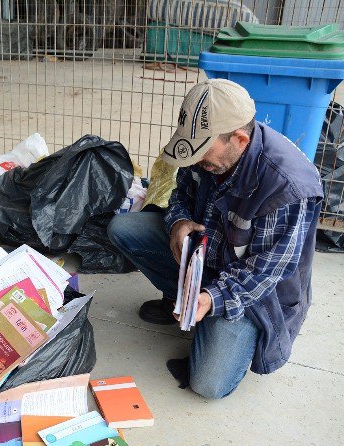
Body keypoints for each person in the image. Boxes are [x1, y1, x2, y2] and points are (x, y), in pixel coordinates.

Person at [107, 79, 323, 399]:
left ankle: (205, 313)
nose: (195, 160)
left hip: (256, 294)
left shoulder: (286, 187)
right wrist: (179, 222)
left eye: (203, 151)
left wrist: (210, 298)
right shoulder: (207, 153)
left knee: (208, 384)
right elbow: (181, 194)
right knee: (123, 229)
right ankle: (183, 299)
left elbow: (263, 273)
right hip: (207, 257)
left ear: (239, 139)